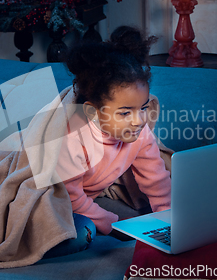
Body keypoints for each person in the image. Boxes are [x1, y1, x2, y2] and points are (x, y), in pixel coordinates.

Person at [57, 26, 172, 235]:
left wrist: (168, 217)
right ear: (93, 112)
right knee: (79, 232)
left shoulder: (140, 133)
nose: (139, 121)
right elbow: (68, 197)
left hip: (87, 193)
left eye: (143, 108)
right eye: (125, 113)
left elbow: (156, 179)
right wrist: (113, 224)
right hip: (53, 193)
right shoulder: (74, 138)